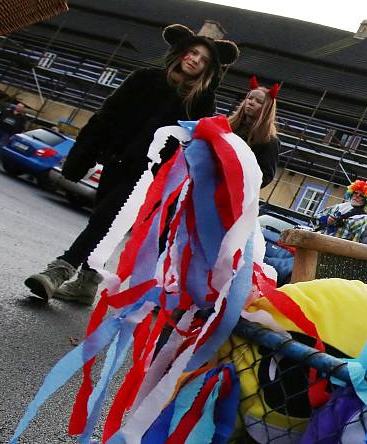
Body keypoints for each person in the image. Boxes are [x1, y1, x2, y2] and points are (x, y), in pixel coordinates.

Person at [23, 23, 239, 304]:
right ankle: (88, 282)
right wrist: (85, 154)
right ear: (181, 52)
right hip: (117, 161)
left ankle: (59, 271)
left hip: (150, 175)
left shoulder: (200, 102)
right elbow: (107, 116)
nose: (195, 59)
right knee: (102, 219)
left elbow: (197, 148)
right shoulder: (144, 79)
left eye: (203, 59)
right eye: (192, 52)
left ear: (208, 70)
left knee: (104, 219)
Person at [227, 75, 280, 188]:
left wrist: (239, 181)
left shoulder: (269, 141)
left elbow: (265, 176)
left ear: (267, 109)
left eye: (258, 101)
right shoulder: (227, 126)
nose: (251, 102)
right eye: (250, 98)